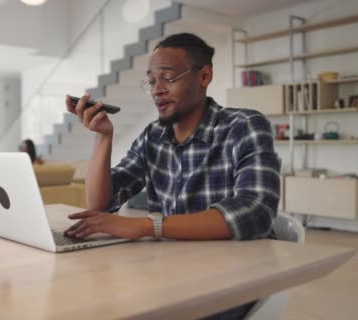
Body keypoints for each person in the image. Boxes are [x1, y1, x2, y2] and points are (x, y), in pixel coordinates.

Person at [64, 33, 280, 319]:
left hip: (233, 280)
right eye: (152, 81)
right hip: (171, 273)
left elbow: (254, 211)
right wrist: (104, 137)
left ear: (204, 76)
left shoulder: (244, 126)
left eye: (168, 78)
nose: (157, 90)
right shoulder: (153, 136)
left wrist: (146, 226)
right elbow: (99, 204)